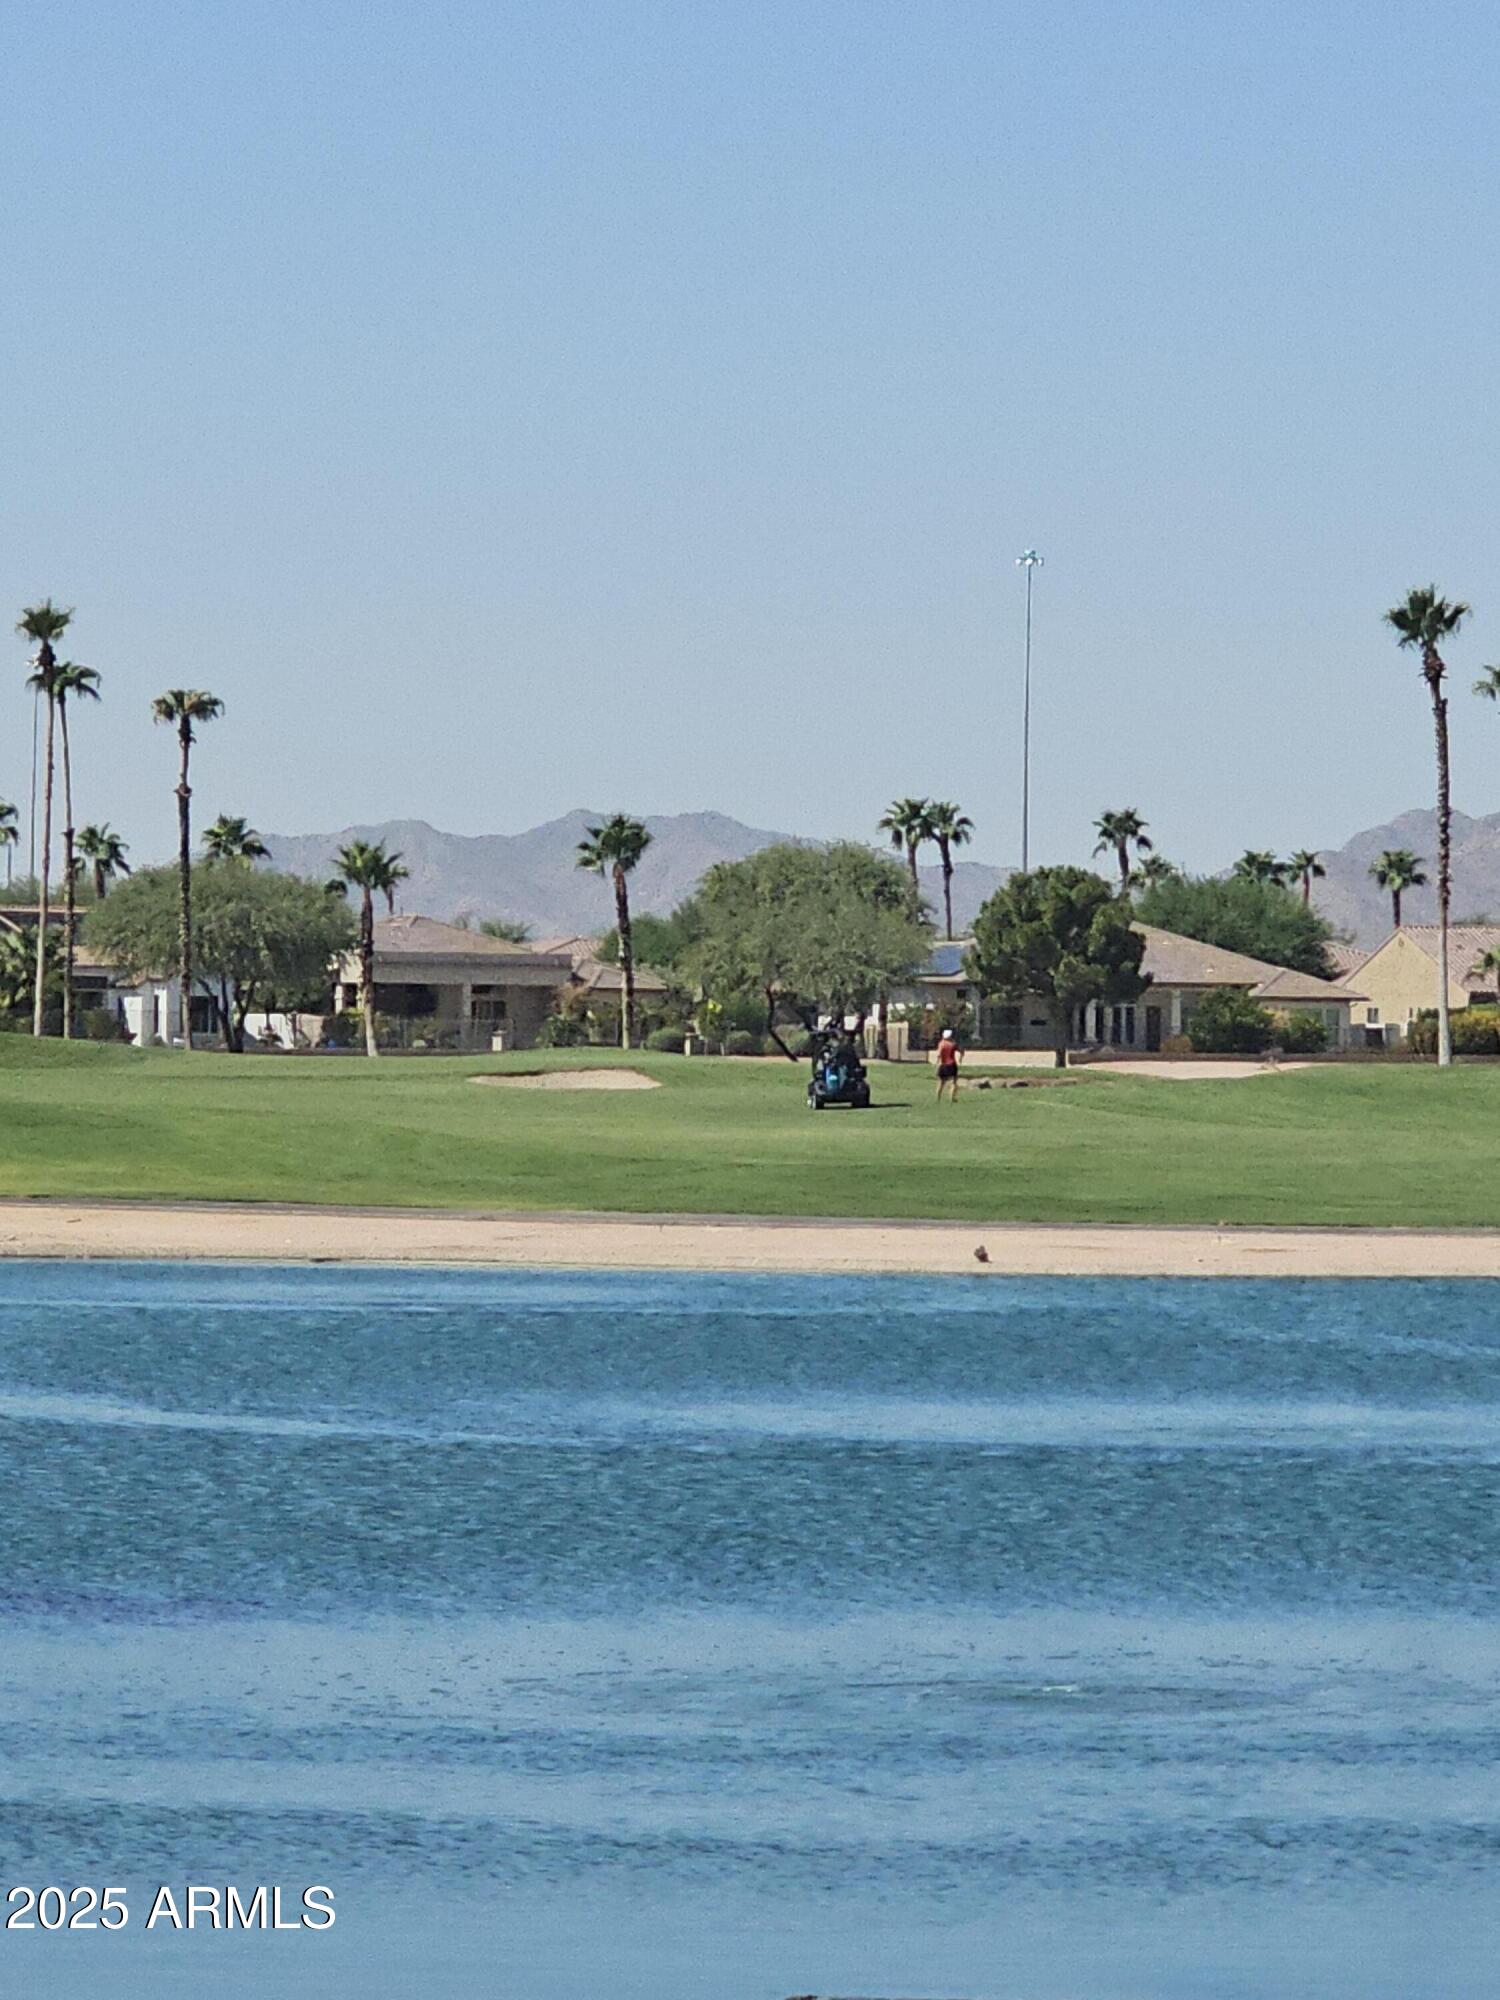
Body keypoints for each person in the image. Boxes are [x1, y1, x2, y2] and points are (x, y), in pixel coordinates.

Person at [935, 1025, 962, 1102]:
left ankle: (938, 1099)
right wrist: (960, 1058)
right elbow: (961, 1051)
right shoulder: (953, 1044)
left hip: (943, 1065)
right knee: (953, 1082)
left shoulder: (941, 1044)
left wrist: (937, 1064)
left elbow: (938, 1055)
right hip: (952, 1064)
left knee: (941, 1083)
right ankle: (952, 1098)